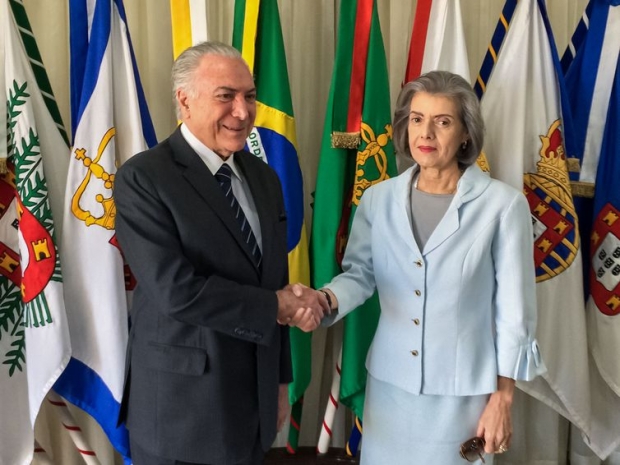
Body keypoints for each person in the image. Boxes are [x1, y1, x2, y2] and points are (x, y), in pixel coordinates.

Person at [309, 70, 547, 464]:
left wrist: (502, 398)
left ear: (466, 133)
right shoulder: (377, 199)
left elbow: (515, 313)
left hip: (464, 397)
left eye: (443, 122)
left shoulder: (502, 206)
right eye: (417, 120)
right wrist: (325, 299)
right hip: (390, 391)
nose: (427, 134)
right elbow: (360, 275)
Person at [114, 41, 327, 465]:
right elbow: (176, 291)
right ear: (184, 100)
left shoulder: (264, 178)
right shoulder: (144, 178)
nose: (243, 111)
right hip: (182, 414)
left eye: (249, 96)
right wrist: (276, 305)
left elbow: (273, 282)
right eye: (225, 96)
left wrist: (280, 383)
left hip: (254, 406)